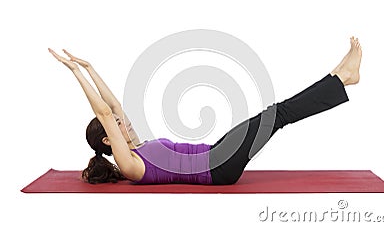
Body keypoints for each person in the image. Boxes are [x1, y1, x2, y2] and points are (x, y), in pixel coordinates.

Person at [48, 36, 362, 185]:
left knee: (275, 114)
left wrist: (89, 67)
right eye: (117, 125)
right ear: (108, 141)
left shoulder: (137, 146)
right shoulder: (130, 164)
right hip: (218, 167)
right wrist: (75, 74)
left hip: (216, 152)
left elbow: (112, 105)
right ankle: (341, 79)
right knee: (275, 115)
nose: (123, 121)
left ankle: (337, 77)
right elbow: (105, 113)